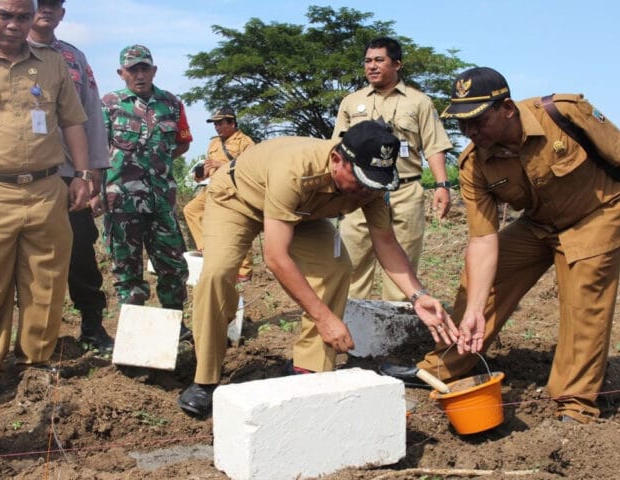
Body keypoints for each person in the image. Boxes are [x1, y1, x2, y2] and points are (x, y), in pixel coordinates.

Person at [381, 67, 620, 423]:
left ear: (507, 108)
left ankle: (576, 404)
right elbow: (482, 239)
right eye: (462, 123)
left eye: (477, 121)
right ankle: (442, 366)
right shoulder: (473, 164)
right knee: (485, 280)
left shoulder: (564, 113)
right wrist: (476, 309)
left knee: (583, 300)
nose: (469, 132)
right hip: (539, 224)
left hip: (597, 215)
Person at [177, 120, 459, 417]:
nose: (366, 192)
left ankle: (308, 368)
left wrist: (418, 296)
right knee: (217, 273)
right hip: (238, 200)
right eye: (361, 182)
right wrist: (324, 318)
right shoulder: (296, 170)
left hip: (301, 214)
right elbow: (276, 257)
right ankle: (204, 379)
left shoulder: (371, 185)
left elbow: (386, 243)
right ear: (337, 160)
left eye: (375, 183)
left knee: (335, 268)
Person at [0, 0, 91, 407]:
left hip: (47, 189)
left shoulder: (52, 63)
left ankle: (35, 361)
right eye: (4, 15)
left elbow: (72, 122)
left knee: (45, 281)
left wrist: (82, 176)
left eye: (22, 16)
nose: (14, 25)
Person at [332, 37, 453, 301]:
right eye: (367, 61)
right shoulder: (351, 102)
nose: (371, 66)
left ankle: (393, 333)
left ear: (397, 64)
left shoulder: (419, 102)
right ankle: (349, 331)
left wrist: (443, 186)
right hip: (360, 193)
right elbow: (336, 149)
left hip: (405, 190)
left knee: (402, 268)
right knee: (350, 266)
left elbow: (434, 145)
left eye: (379, 60)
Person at [28, 0, 113, 354]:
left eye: (54, 4)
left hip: (70, 176)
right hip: (26, 176)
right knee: (26, 259)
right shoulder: (10, 52)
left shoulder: (74, 58)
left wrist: (94, 177)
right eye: (39, 3)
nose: (45, 9)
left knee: (80, 252)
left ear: (62, 13)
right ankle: (29, 340)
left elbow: (92, 113)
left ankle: (92, 326)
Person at [101, 44, 193, 338]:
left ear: (153, 70)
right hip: (122, 203)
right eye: (133, 69)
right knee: (127, 270)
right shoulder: (109, 104)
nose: (139, 75)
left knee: (173, 266)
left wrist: (156, 163)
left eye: (144, 68)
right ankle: (135, 334)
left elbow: (182, 143)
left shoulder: (171, 103)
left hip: (161, 201)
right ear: (122, 73)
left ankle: (175, 327)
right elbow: (96, 150)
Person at [182, 106, 254, 282]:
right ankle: (206, 249)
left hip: (235, 190)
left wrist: (222, 165)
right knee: (191, 210)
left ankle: (244, 270)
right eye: (215, 124)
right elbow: (207, 170)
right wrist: (200, 173)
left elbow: (251, 169)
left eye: (220, 123)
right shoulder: (214, 143)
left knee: (238, 227)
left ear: (232, 122)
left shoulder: (246, 142)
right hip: (213, 188)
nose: (217, 127)